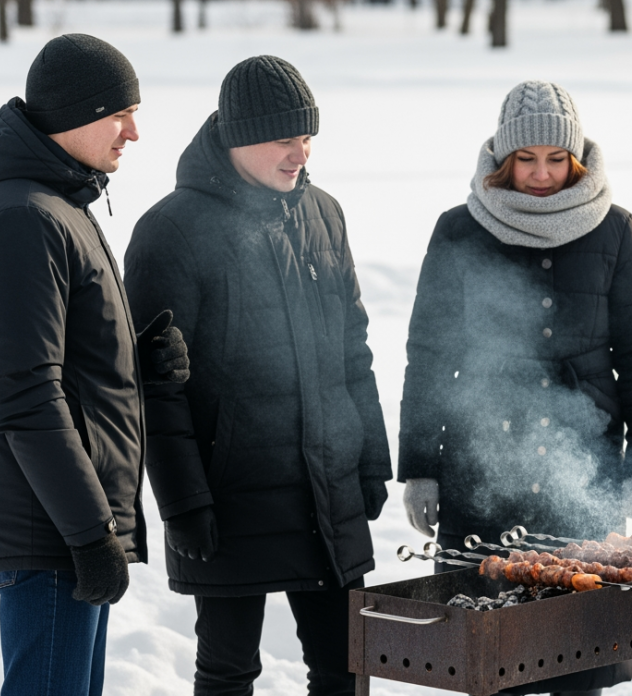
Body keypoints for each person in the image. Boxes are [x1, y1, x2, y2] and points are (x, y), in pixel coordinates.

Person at [123, 55, 392, 696]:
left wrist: (370, 461)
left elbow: (353, 349)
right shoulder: (171, 232)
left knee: (347, 666)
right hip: (227, 496)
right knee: (228, 671)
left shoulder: (323, 213)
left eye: (307, 137)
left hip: (326, 486)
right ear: (239, 134)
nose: (300, 153)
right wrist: (183, 503)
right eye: (284, 138)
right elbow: (155, 388)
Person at [397, 80, 632, 696]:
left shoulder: (615, 231)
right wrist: (420, 467)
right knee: (490, 663)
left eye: (555, 159)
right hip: (480, 476)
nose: (541, 175)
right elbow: (430, 359)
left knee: (580, 661)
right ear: (502, 161)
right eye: (526, 159)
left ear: (576, 160)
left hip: (584, 474)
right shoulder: (458, 232)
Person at [0, 34, 188, 696]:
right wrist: (89, 535)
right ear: (77, 113)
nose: (134, 132)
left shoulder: (59, 205)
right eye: (121, 114)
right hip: (48, 527)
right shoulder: (22, 219)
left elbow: (58, 363)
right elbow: (25, 395)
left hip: (65, 521)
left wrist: (133, 364)